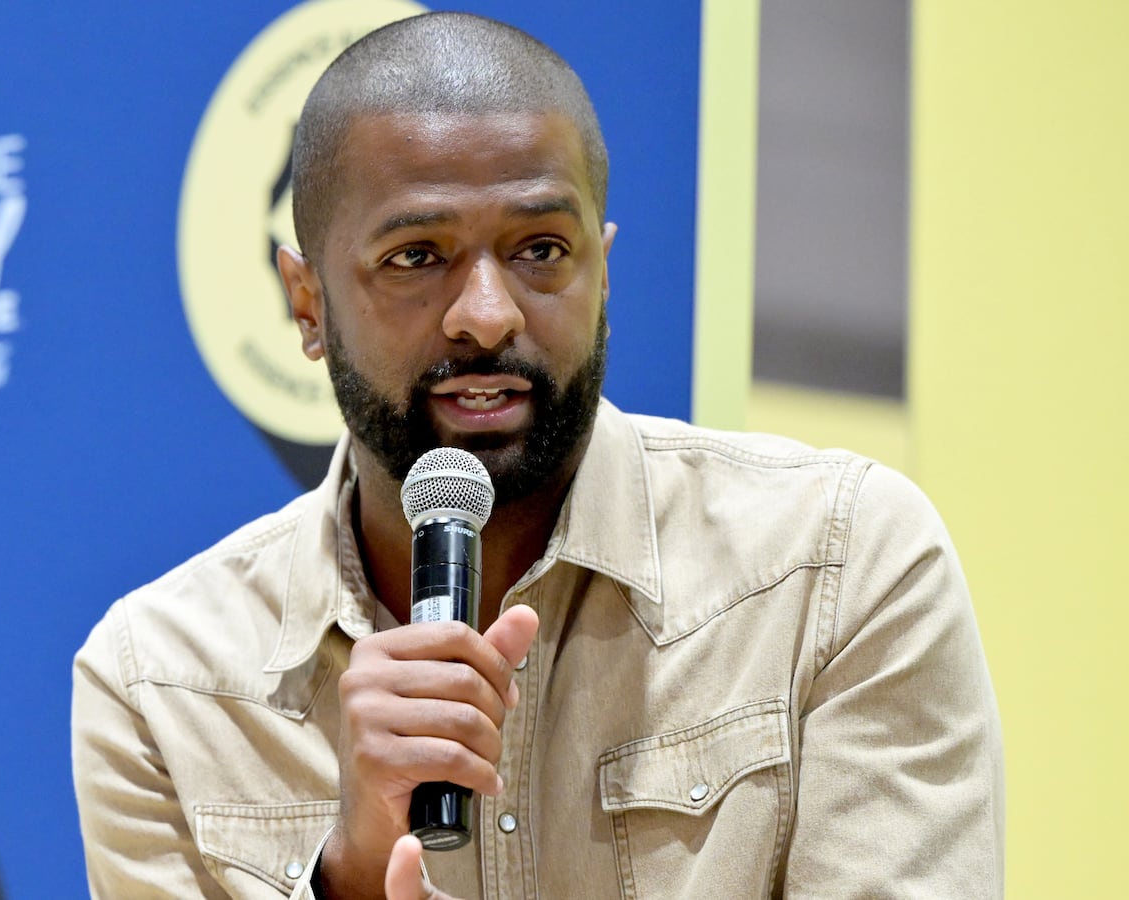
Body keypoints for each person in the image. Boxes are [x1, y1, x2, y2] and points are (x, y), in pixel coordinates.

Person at [72, 11, 1003, 899]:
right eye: (416, 256)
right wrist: (350, 878)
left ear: (602, 273)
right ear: (306, 302)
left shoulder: (834, 567)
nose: (487, 313)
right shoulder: (159, 682)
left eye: (541, 249)